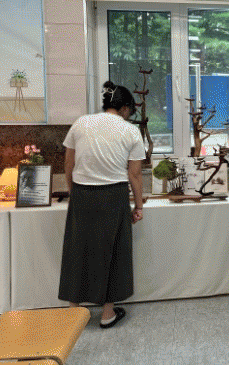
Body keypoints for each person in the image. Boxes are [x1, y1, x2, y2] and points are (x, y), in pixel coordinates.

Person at [58, 80, 145, 329]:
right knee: (114, 252)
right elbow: (135, 175)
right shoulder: (130, 131)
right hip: (114, 196)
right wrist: (139, 206)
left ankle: (73, 312)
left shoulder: (81, 123)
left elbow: (68, 164)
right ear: (125, 108)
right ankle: (107, 314)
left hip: (82, 194)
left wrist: (74, 192)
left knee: (77, 250)